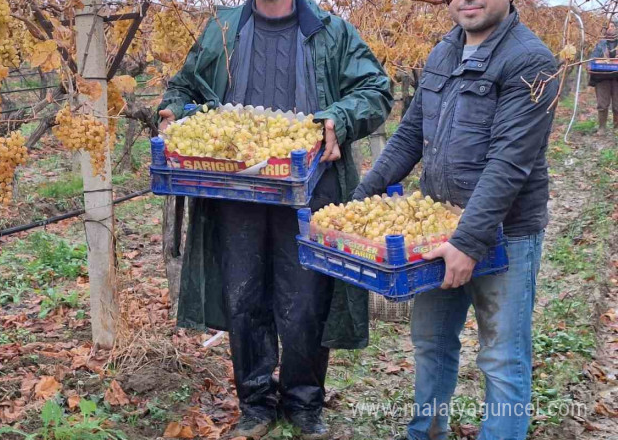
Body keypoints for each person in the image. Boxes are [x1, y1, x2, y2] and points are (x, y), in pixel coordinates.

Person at [157, 0, 392, 438]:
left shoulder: (332, 32)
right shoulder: (222, 30)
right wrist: (174, 111)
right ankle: (256, 405)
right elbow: (183, 86)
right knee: (243, 296)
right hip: (234, 190)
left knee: (305, 300)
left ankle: (304, 404)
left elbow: (376, 92)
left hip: (308, 187)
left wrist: (339, 118)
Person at [353, 0, 557, 439]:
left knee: (502, 357)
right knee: (431, 342)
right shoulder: (445, 50)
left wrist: (466, 243)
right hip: (437, 228)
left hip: (505, 235)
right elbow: (410, 133)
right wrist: (360, 198)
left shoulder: (531, 61)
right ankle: (425, 432)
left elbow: (508, 163)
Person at [589, 21, 618, 135]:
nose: (610, 28)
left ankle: (616, 127)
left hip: (617, 77)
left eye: (613, 26)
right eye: (608, 27)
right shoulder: (601, 44)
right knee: (602, 103)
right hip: (602, 76)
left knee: (617, 104)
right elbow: (592, 58)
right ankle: (602, 128)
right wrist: (592, 64)